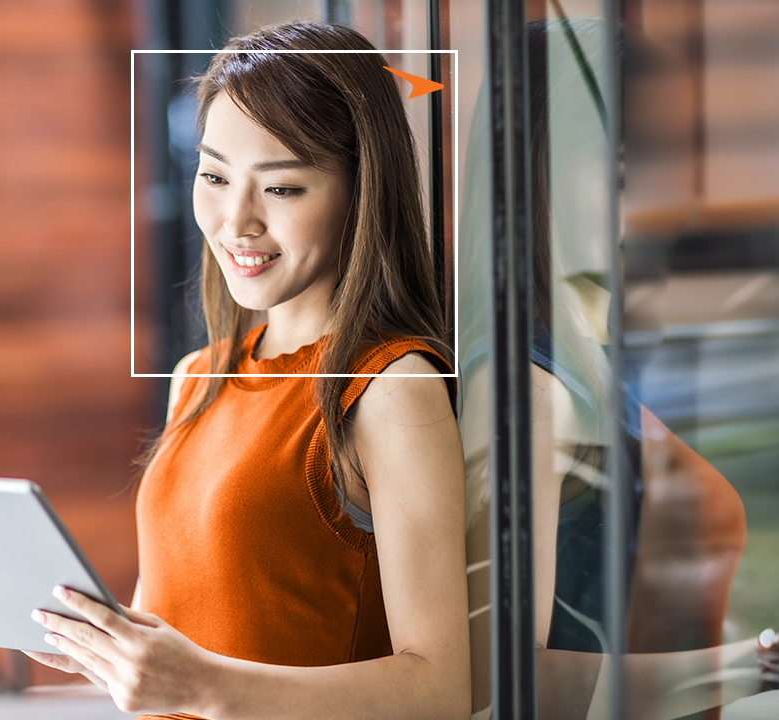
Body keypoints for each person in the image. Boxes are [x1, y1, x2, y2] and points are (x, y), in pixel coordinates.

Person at [24, 22, 472, 720]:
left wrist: (206, 685)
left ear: (361, 192)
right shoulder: (195, 378)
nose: (236, 221)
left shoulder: (391, 387)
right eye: (213, 176)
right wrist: (107, 646)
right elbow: (185, 635)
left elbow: (440, 689)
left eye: (283, 189)